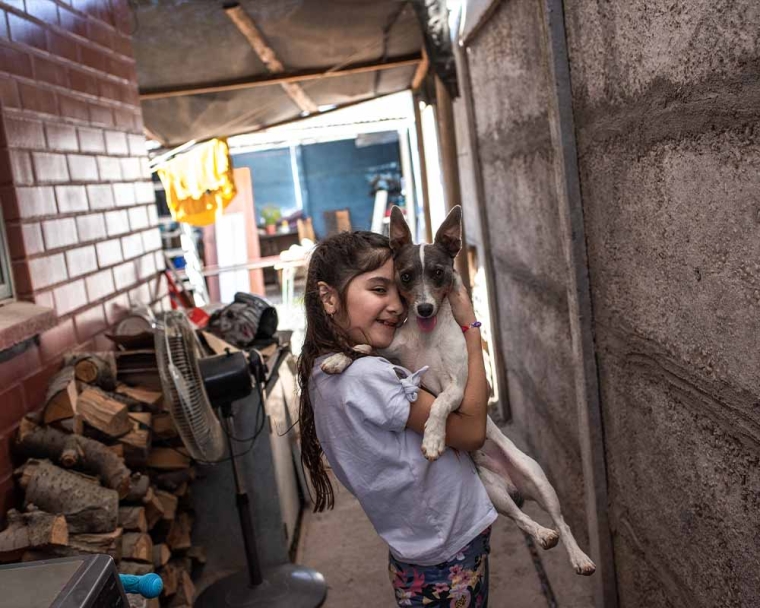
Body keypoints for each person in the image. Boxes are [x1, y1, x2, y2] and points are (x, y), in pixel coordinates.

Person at [297, 230, 497, 607]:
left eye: (397, 289)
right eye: (378, 290)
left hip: (421, 546)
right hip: (445, 551)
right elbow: (472, 432)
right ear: (328, 298)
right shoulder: (365, 377)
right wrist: (471, 329)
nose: (397, 305)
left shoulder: (329, 369)